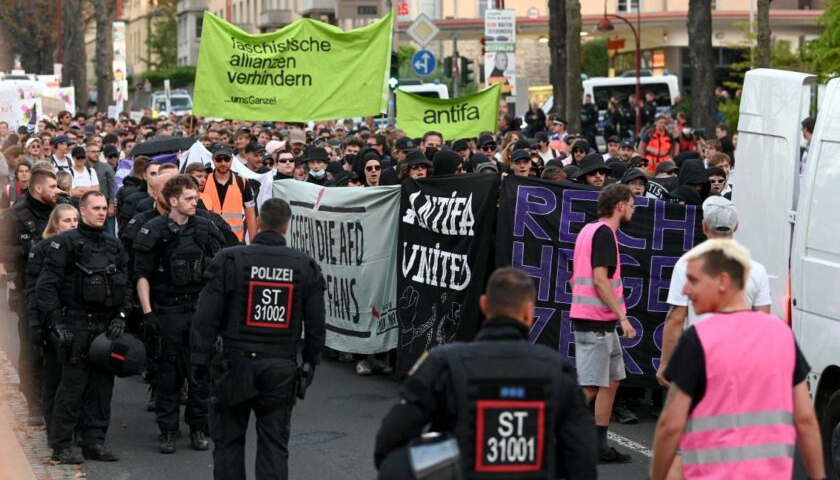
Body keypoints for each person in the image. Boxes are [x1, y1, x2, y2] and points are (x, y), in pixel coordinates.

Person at [375, 268, 598, 479]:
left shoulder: (443, 362)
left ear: (484, 305)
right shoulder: (557, 369)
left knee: (397, 463)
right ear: (528, 312)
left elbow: (392, 435)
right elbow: (583, 457)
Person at [650, 239, 824, 480]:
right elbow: (805, 418)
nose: (686, 290)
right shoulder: (781, 334)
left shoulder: (698, 340)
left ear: (722, 282)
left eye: (695, 281)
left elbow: (670, 427)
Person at [190, 198, 326, 480]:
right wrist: (311, 363)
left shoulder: (230, 260)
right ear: (286, 227)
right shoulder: (304, 266)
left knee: (228, 441)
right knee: (274, 443)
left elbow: (205, 317)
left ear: (259, 222)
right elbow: (316, 326)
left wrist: (199, 362)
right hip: (280, 365)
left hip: (235, 363)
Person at [36, 191, 130, 464]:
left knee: (102, 388)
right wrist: (56, 324)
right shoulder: (64, 244)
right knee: (72, 387)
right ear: (83, 211)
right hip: (74, 325)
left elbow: (126, 285)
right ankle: (62, 445)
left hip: (105, 328)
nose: (102, 212)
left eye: (104, 208)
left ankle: (94, 442)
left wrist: (120, 317)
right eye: (96, 208)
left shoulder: (114, 245)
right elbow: (46, 288)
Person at [134, 175, 225, 453]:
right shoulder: (153, 231)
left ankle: (198, 427)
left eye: (195, 197)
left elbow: (222, 270)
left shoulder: (206, 228)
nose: (194, 202)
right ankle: (168, 430)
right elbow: (141, 275)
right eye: (188, 198)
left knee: (201, 373)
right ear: (173, 201)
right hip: (168, 311)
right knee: (168, 374)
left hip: (199, 312)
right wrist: (148, 313)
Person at [657, 196, 771, 387]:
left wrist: (666, 363)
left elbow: (676, 319)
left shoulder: (686, 266)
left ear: (704, 226)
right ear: (736, 227)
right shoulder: (756, 270)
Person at [569, 183, 637, 463]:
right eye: (632, 204)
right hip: (596, 322)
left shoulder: (589, 230)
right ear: (620, 205)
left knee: (610, 382)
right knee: (589, 387)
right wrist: (623, 316)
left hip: (598, 322)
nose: (634, 210)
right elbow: (599, 279)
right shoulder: (605, 234)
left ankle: (598, 447)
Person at [0, 168, 58, 424]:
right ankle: (33, 402)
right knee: (32, 346)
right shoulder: (15, 215)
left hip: (59, 289)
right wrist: (28, 249)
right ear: (38, 188)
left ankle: (53, 400)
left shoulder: (61, 210)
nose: (58, 191)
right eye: (53, 186)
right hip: (29, 288)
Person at [24, 204, 79, 441]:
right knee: (53, 379)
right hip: (51, 322)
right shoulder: (42, 249)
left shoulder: (81, 246)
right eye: (67, 220)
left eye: (75, 220)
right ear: (56, 224)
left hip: (76, 320)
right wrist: (36, 323)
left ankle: (75, 429)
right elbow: (35, 290)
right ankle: (52, 429)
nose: (72, 225)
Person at [201, 144, 257, 243]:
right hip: (210, 239)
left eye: (226, 159)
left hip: (235, 239)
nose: (223, 163)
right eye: (219, 159)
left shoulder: (242, 182)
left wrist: (254, 242)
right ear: (213, 159)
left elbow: (250, 213)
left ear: (231, 159)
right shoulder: (204, 181)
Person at [86, 143, 117, 235]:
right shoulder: (83, 168)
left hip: (106, 203)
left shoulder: (106, 168)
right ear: (87, 153)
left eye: (98, 152)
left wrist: (111, 204)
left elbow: (113, 188)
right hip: (88, 204)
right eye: (93, 152)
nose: (96, 154)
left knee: (110, 233)